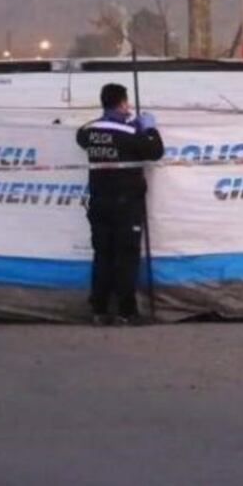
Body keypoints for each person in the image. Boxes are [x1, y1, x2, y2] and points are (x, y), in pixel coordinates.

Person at [76, 83, 165, 326]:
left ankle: (99, 310)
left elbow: (80, 134)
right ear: (124, 103)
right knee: (126, 256)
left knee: (102, 255)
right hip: (126, 204)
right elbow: (155, 151)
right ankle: (127, 312)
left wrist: (108, 119)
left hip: (98, 202)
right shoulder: (130, 133)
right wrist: (149, 128)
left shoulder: (91, 131)